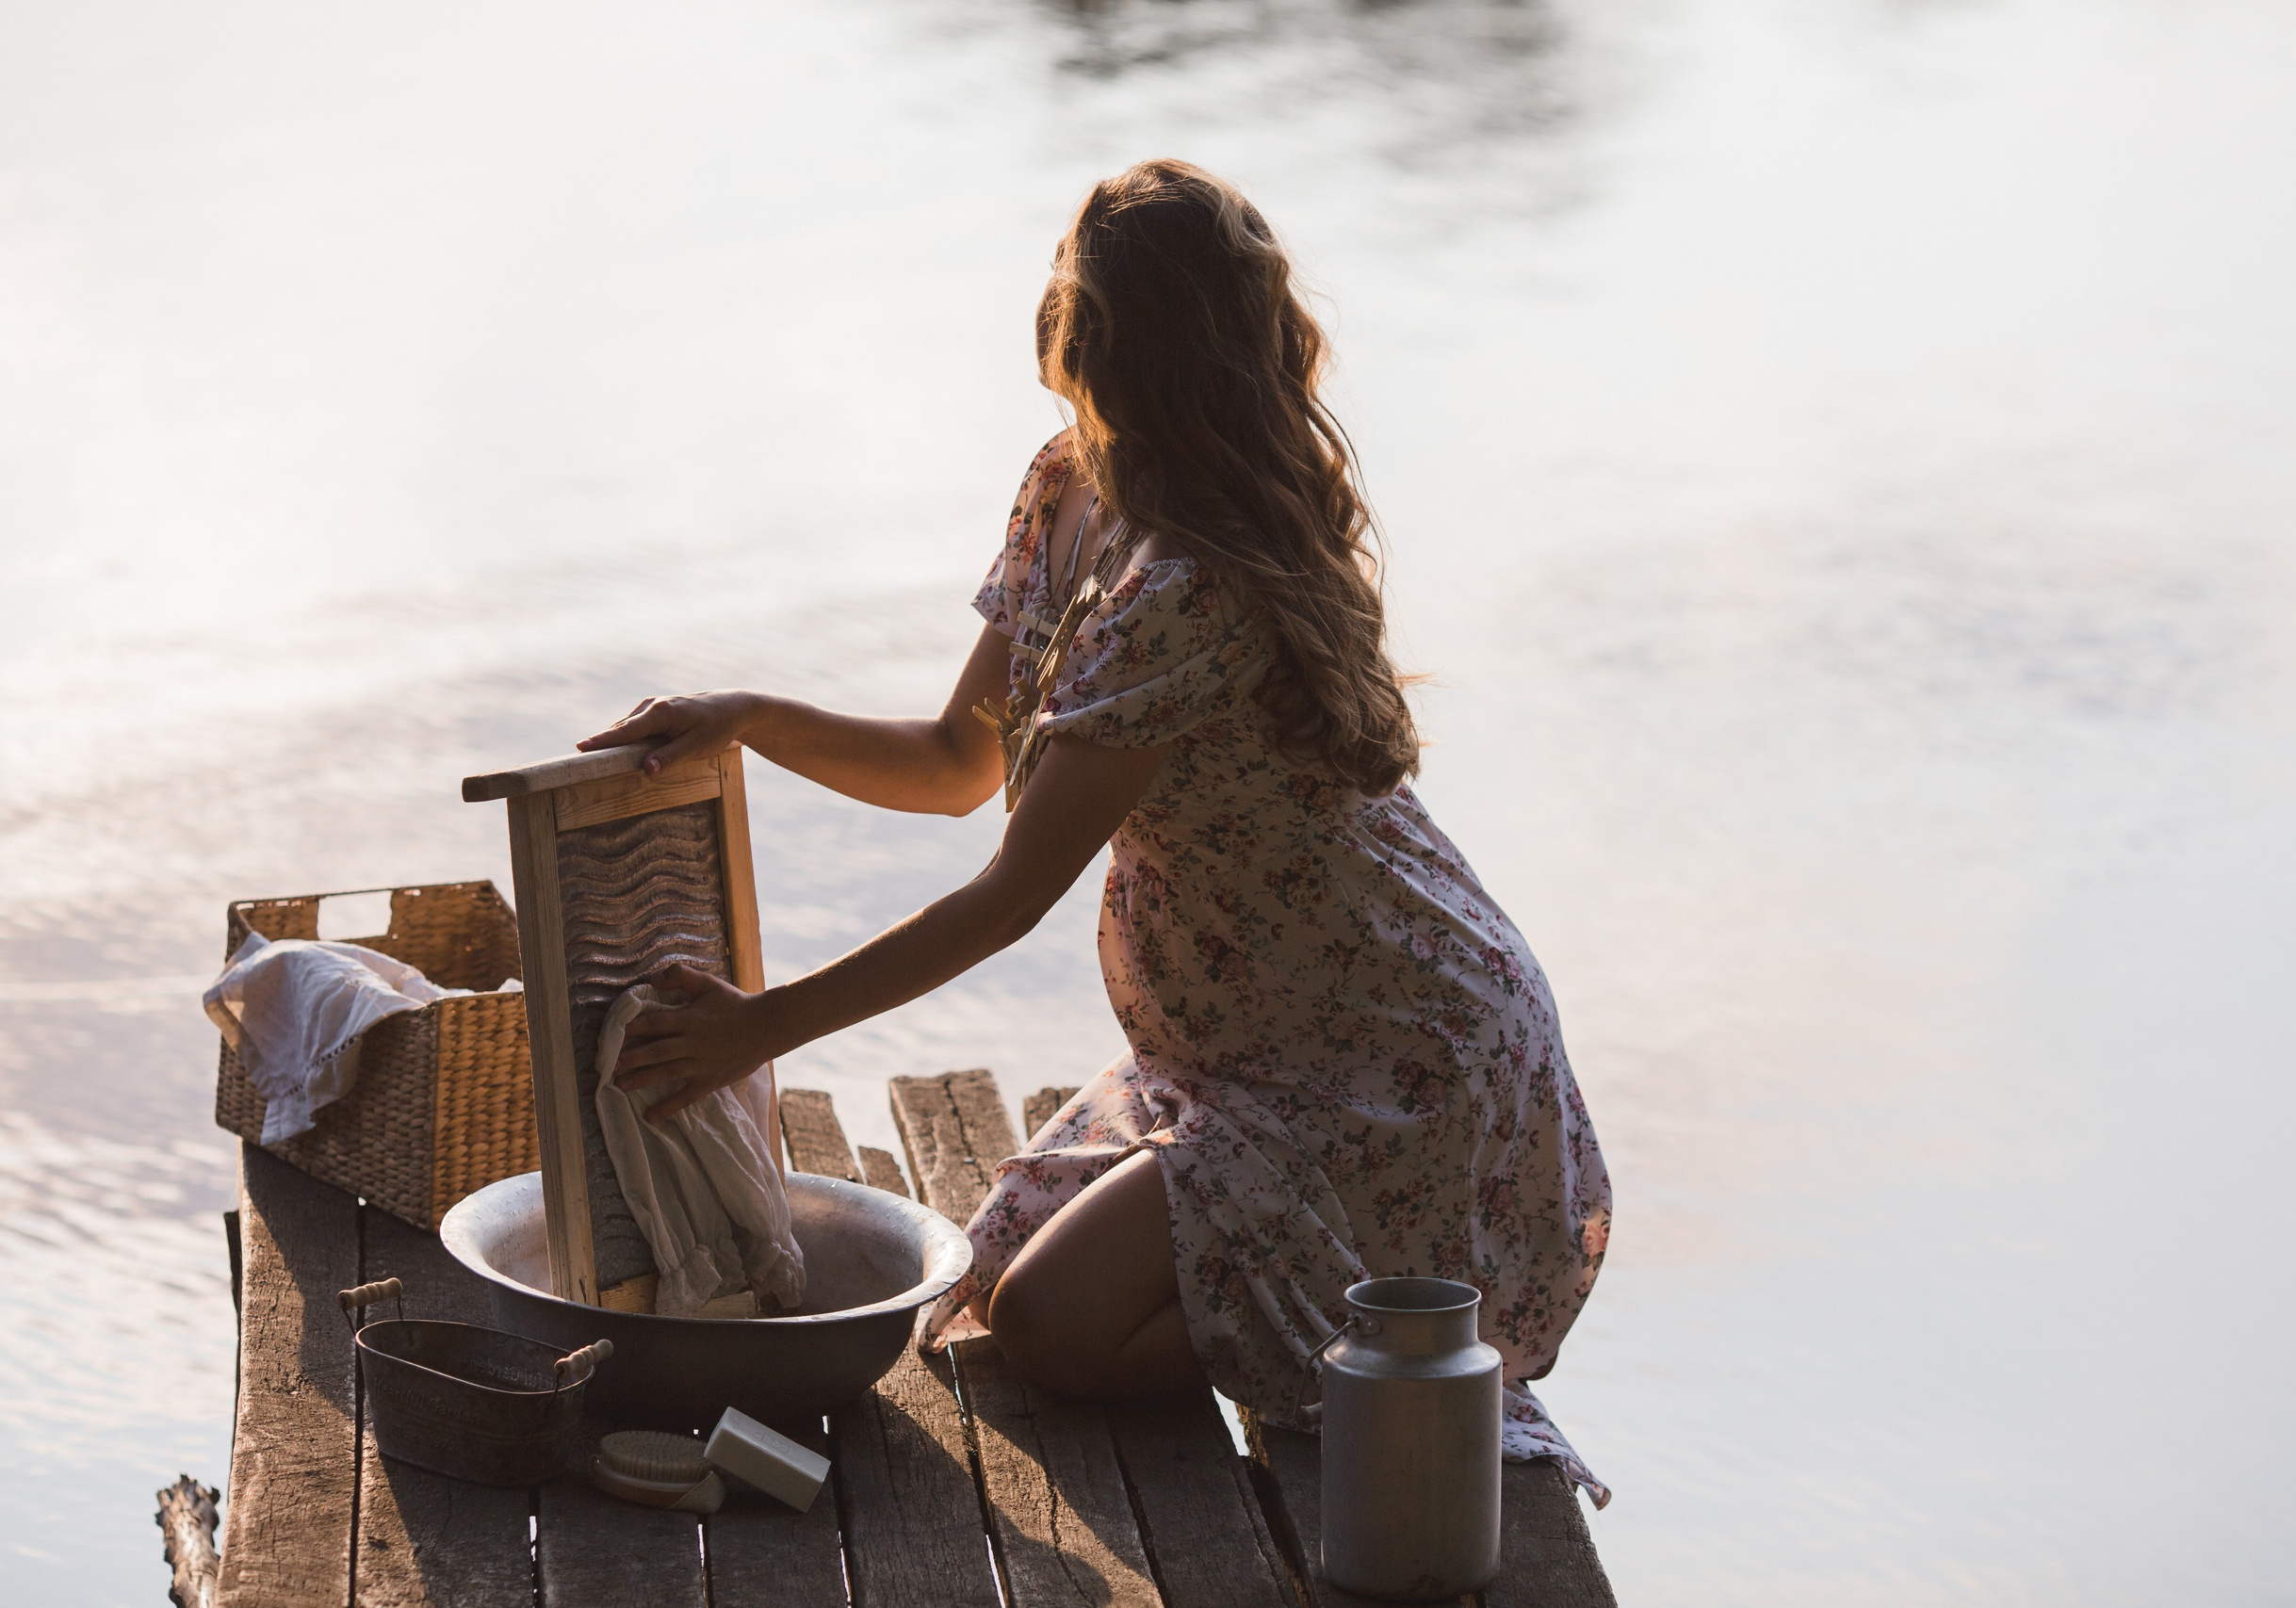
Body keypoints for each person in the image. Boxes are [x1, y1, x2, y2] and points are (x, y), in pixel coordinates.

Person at [581, 157, 1612, 1502]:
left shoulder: (1192, 584)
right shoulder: (1068, 486)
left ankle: (1370, 1343)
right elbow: (959, 764)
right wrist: (754, 717)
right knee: (994, 1272)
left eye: (1063, 283)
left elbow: (1010, 893)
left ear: (1096, 329)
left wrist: (753, 1029)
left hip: (1386, 1059)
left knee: (1049, 1326)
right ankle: (1308, 1305)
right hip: (1240, 1048)